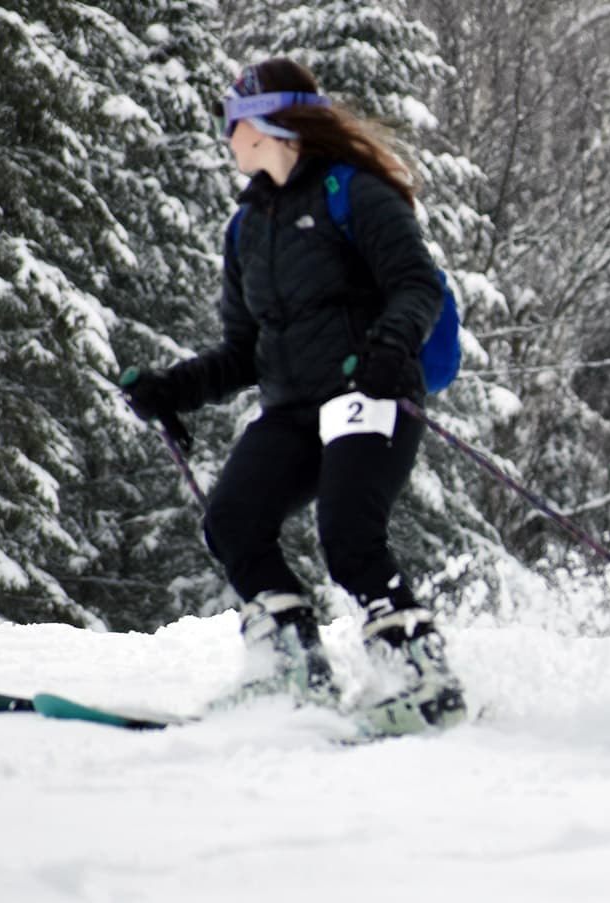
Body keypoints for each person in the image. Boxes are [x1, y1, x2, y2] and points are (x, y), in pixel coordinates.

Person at [119, 57, 465, 733]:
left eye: (233, 121)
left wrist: (390, 349)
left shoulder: (355, 193)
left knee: (349, 536)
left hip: (369, 390)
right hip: (294, 407)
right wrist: (173, 390)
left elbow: (416, 284)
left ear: (268, 124)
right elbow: (242, 351)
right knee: (233, 519)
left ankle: (423, 676)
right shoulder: (248, 227)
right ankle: (292, 667)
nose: (227, 137)